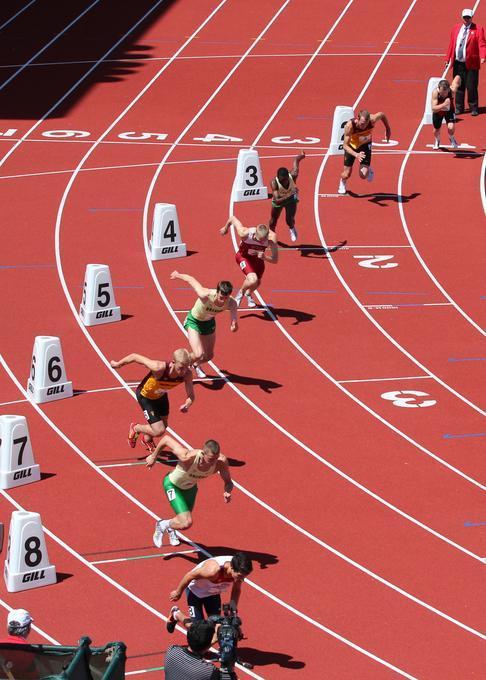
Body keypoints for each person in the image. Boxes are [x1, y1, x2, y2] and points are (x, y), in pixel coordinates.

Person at [148, 434, 234, 547]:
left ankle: (171, 529)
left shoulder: (220, 463)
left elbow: (228, 482)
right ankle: (162, 525)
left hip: (190, 489)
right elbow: (166, 439)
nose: (214, 462)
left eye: (216, 458)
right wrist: (154, 456)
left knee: (182, 520)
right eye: (211, 459)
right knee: (186, 522)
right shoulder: (188, 456)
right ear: (203, 454)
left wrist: (227, 491)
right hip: (172, 485)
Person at [110, 348, 194, 453]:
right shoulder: (159, 367)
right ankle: (136, 428)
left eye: (187, 368)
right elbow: (135, 356)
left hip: (161, 395)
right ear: (173, 363)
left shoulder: (187, 374)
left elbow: (191, 395)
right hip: (145, 396)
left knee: (164, 425)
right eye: (181, 368)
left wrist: (187, 404)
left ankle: (147, 439)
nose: (183, 372)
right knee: (159, 430)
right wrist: (118, 364)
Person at [171, 271, 238, 379]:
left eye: (226, 298)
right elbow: (191, 279)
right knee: (198, 354)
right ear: (217, 292)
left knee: (209, 356)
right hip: (194, 321)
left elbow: (234, 319)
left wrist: (234, 325)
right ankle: (177, 367)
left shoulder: (231, 303)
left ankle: (196, 365)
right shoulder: (205, 294)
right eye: (221, 297)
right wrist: (178, 275)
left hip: (208, 323)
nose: (223, 300)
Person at [166, 553, 253, 629]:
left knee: (216, 626)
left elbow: (236, 590)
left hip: (213, 593)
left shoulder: (239, 571)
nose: (242, 579)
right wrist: (178, 592)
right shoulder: (213, 571)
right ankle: (176, 614)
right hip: (196, 592)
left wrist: (233, 610)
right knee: (197, 629)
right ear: (232, 568)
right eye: (240, 576)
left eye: (244, 576)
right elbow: (190, 575)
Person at [220, 216, 278, 308]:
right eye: (259, 240)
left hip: (258, 260)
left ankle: (248, 294)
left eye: (264, 240)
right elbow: (232, 219)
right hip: (243, 257)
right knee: (252, 279)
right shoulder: (245, 233)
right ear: (255, 234)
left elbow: (275, 260)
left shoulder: (271, 239)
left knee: (257, 283)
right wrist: (225, 228)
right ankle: (240, 294)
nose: (262, 242)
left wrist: (265, 257)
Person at [338, 109, 391, 195]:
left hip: (365, 146)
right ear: (357, 119)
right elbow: (345, 146)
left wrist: (388, 128)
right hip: (352, 147)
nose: (364, 126)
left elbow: (382, 114)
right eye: (362, 124)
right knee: (346, 174)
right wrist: (356, 154)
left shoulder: (372, 120)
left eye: (366, 124)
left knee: (363, 175)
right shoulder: (349, 126)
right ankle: (342, 182)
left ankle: (368, 169)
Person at [445, 9, 486, 116]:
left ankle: (473, 107)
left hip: (472, 63)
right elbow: (452, 45)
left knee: (471, 86)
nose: (467, 19)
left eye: (469, 17)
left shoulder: (478, 29)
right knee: (459, 85)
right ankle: (459, 107)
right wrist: (447, 58)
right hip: (458, 63)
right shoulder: (456, 28)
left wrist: (483, 56)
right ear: (462, 17)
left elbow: (482, 44)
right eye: (465, 17)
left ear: (472, 17)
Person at [268, 151, 305, 242]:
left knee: (289, 220)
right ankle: (271, 235)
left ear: (287, 177)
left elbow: (296, 161)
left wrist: (302, 156)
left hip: (291, 201)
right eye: (280, 180)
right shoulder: (274, 183)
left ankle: (292, 228)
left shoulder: (293, 175)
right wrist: (290, 194)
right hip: (280, 201)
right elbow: (277, 201)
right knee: (273, 221)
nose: (281, 182)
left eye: (283, 180)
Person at [431, 76, 461, 148]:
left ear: (448, 89)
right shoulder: (435, 93)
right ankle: (437, 140)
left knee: (451, 127)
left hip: (449, 111)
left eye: (445, 93)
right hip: (438, 112)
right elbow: (433, 109)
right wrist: (444, 104)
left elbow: (457, 78)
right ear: (439, 89)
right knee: (436, 130)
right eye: (441, 93)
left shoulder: (452, 90)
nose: (443, 95)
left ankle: (451, 138)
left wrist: (460, 78)